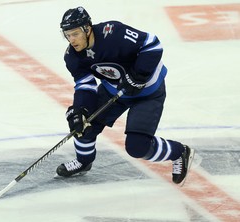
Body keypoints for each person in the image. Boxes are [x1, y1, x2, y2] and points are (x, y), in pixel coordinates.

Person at [56, 6, 195, 185]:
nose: (71, 40)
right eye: (67, 35)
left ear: (87, 28)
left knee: (138, 147)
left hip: (148, 92)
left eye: (75, 34)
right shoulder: (72, 57)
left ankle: (179, 152)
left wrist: (138, 75)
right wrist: (80, 109)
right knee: (83, 125)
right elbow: (85, 85)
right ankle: (84, 162)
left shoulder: (113, 33)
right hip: (114, 90)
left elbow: (152, 44)